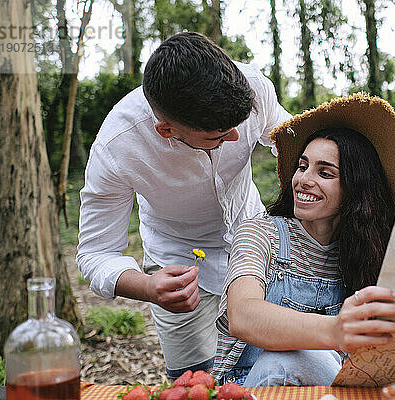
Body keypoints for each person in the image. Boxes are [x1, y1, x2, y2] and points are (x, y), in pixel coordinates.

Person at [212, 94, 395, 386]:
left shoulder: (373, 252)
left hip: (339, 387)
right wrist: (335, 331)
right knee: (293, 359)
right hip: (252, 386)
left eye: (325, 172)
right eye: (302, 166)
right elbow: (243, 315)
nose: (303, 179)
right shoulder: (260, 233)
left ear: (355, 187)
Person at [76, 32, 290, 378]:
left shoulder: (252, 88)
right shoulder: (117, 147)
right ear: (166, 130)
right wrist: (149, 287)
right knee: (194, 382)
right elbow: (95, 253)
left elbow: (291, 141)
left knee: (272, 367)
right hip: (177, 262)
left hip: (256, 246)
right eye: (218, 135)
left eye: (237, 126)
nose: (236, 137)